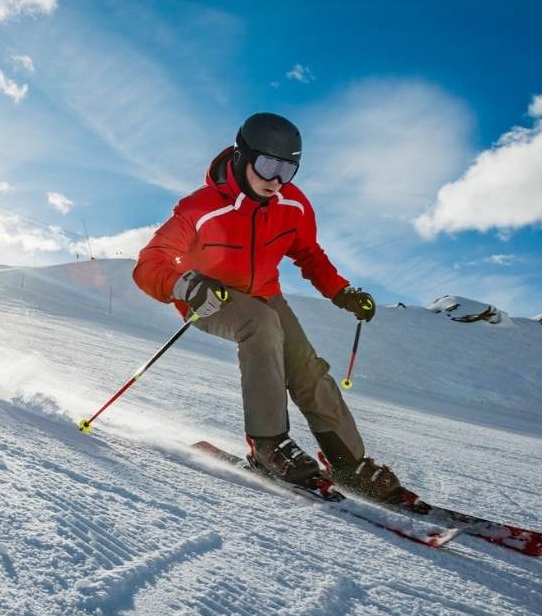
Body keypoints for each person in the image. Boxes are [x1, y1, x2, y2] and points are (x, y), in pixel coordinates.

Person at [132, 112, 406, 503]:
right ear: (243, 156)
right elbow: (148, 264)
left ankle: (349, 461)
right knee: (260, 325)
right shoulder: (202, 207)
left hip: (265, 293)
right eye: (268, 165)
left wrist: (341, 292)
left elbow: (309, 254)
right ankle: (268, 445)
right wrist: (185, 284)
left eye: (288, 169)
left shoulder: (292, 205)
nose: (276, 179)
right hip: (209, 296)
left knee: (307, 367)